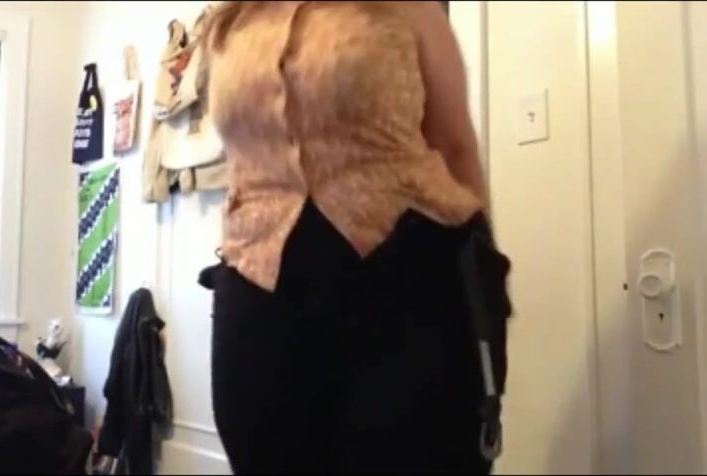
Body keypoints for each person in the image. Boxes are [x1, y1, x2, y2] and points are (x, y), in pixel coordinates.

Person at [201, 2, 512, 473]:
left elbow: (455, 146)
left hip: (411, 283)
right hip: (258, 292)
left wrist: (485, 282)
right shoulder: (228, 24)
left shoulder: (407, 8)